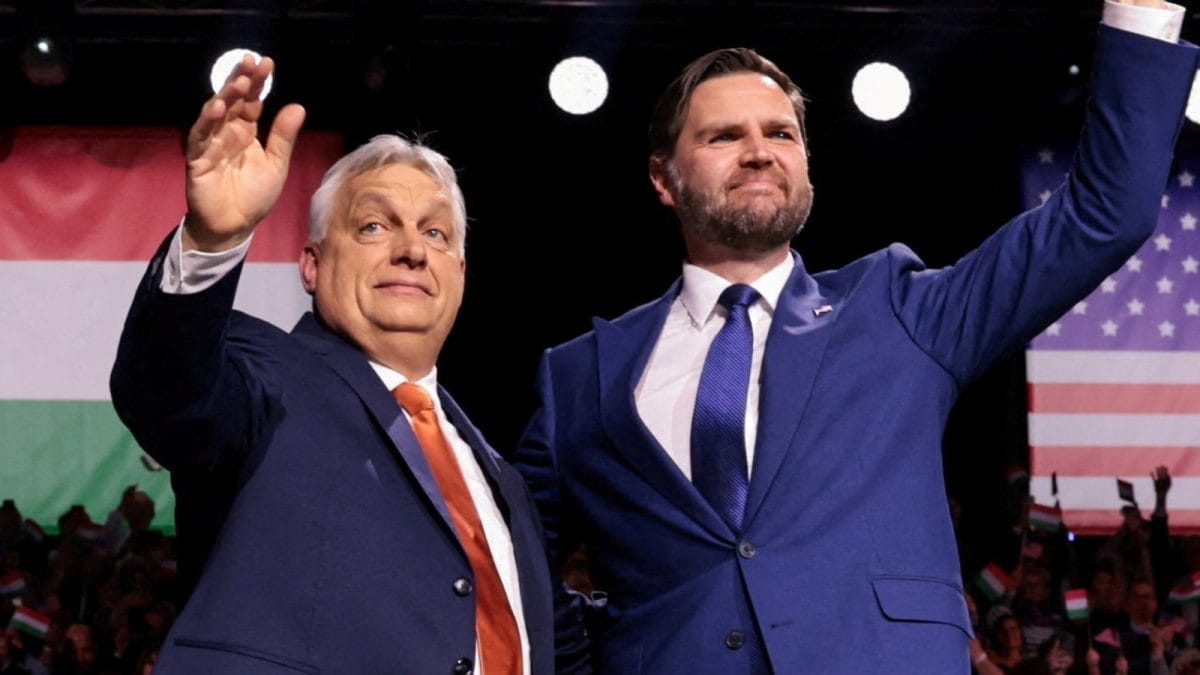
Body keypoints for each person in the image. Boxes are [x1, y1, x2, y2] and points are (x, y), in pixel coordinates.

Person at [514, 1, 1197, 671]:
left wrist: (1141, 13)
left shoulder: (898, 312)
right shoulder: (584, 375)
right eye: (723, 136)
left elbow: (1103, 215)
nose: (758, 152)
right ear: (664, 177)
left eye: (781, 134)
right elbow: (514, 566)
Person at [109, 55, 552, 673]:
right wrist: (211, 241)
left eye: (436, 235)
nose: (411, 252)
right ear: (312, 265)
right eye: (374, 225)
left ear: (461, 273)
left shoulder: (499, 475)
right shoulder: (265, 380)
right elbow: (167, 391)